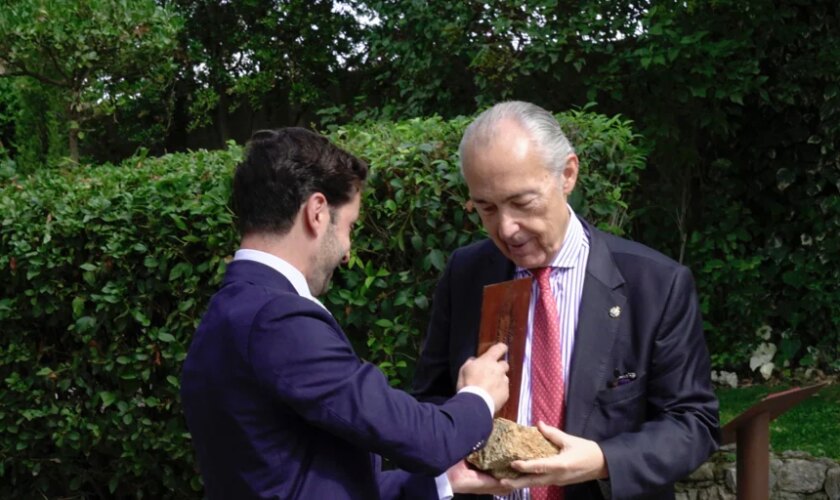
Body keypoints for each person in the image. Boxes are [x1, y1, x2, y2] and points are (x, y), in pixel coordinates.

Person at [180, 127, 513, 499]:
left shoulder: (227, 312)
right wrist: (480, 396)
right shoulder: (276, 318)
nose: (347, 251)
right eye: (350, 227)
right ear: (317, 212)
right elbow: (428, 441)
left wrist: (441, 483)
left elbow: (300, 482)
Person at [412, 102, 720, 500]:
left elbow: (693, 424)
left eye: (522, 202)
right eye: (486, 208)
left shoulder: (655, 284)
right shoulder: (466, 273)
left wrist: (602, 459)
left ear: (567, 174)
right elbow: (429, 399)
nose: (506, 228)